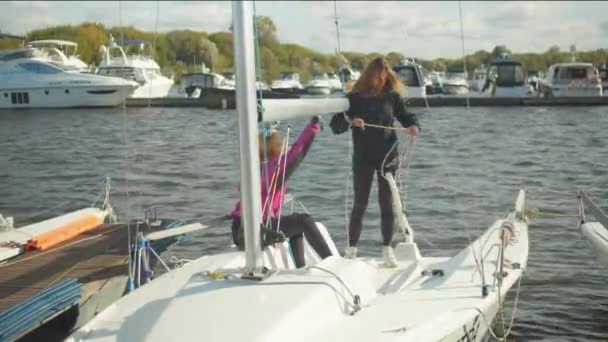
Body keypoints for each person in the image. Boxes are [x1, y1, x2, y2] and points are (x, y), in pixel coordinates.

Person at [330, 57, 420, 267]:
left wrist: (414, 126)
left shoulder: (392, 97)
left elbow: (406, 117)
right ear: (369, 75)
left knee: (386, 203)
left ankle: (387, 249)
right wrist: (351, 121)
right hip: (363, 157)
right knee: (359, 203)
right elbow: (335, 125)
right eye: (377, 76)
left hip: (388, 155)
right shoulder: (354, 98)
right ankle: (351, 250)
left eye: (384, 76)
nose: (380, 80)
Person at [230, 116, 333, 268]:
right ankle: (332, 262)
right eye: (282, 144)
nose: (287, 146)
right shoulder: (275, 170)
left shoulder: (258, 167)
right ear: (276, 148)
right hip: (252, 231)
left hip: (242, 228)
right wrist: (313, 126)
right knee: (304, 221)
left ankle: (301, 268)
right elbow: (298, 152)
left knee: (296, 225)